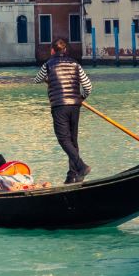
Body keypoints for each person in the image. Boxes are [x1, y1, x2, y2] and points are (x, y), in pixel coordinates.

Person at [35, 37, 93, 184]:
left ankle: (81, 166)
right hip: (75, 105)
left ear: (52, 50)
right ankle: (72, 176)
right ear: (65, 50)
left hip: (59, 106)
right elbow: (88, 86)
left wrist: (48, 79)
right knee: (73, 140)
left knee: (63, 139)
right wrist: (81, 98)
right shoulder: (75, 64)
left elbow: (37, 79)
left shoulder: (48, 64)